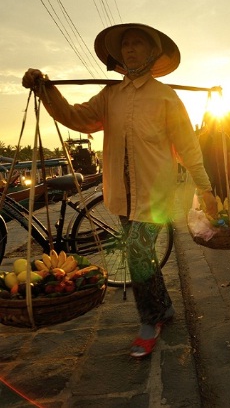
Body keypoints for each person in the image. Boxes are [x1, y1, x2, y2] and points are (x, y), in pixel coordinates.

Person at [22, 22, 217, 358]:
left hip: (156, 194)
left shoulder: (167, 97)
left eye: (137, 43)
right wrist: (45, 90)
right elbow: (76, 116)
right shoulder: (110, 96)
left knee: (137, 254)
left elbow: (189, 149)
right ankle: (164, 306)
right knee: (145, 254)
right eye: (125, 44)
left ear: (153, 52)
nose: (129, 49)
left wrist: (207, 188)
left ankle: (149, 320)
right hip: (122, 195)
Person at [198, 112, 230, 201]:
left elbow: (229, 156)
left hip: (223, 175)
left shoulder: (224, 137)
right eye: (209, 122)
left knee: (224, 203)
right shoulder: (202, 138)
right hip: (208, 177)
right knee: (210, 206)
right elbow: (199, 159)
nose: (212, 125)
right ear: (206, 123)